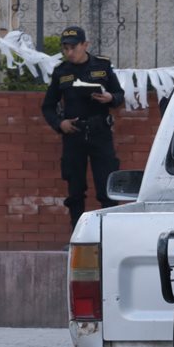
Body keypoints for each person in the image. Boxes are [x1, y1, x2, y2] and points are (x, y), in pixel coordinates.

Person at [41, 25, 125, 228]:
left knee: (106, 188)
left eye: (73, 48)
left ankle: (107, 235)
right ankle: (77, 236)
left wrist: (109, 98)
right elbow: (48, 106)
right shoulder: (61, 71)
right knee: (75, 190)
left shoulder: (102, 66)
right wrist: (60, 124)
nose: (69, 52)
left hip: (100, 133)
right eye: (65, 48)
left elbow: (119, 95)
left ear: (85, 45)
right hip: (74, 134)